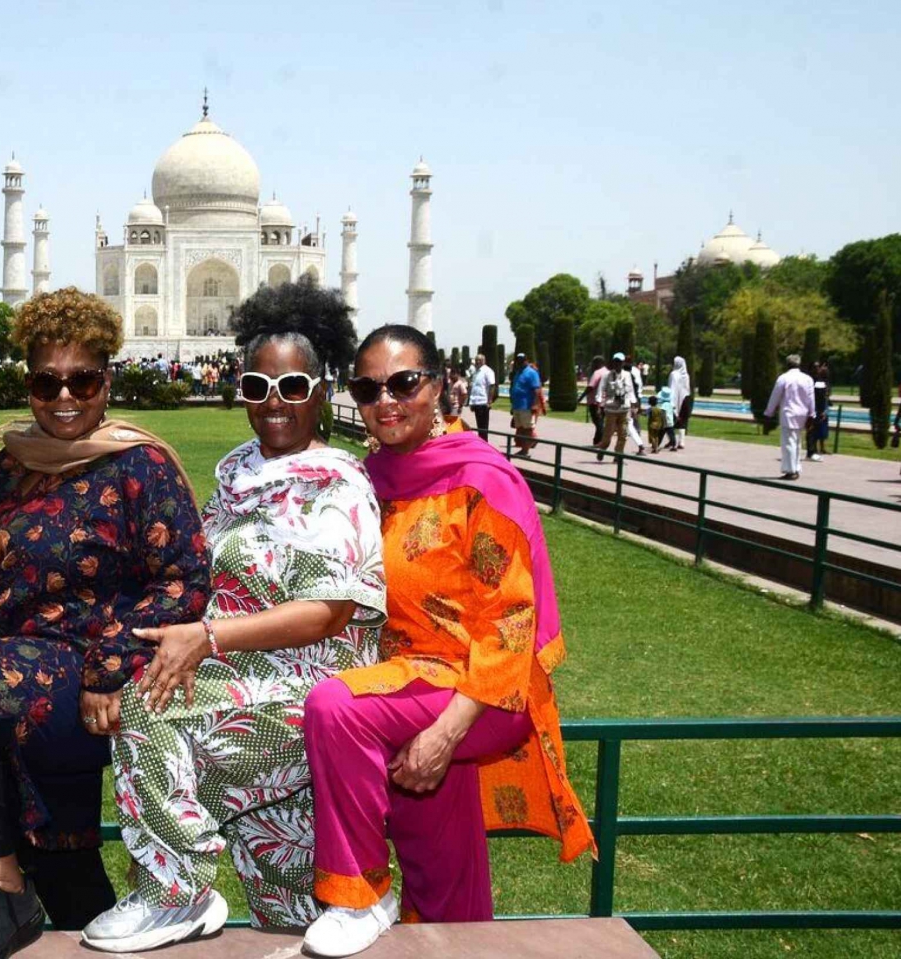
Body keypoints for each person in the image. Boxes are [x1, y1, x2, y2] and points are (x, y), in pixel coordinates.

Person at [0, 288, 210, 959]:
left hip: (80, 678)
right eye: (46, 380)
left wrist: (108, 664)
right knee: (63, 862)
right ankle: (32, 893)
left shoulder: (139, 466)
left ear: (106, 380)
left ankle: (0, 893)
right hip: (4, 681)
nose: (64, 396)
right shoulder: (10, 467)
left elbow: (184, 581)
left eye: (82, 379)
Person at [83, 282, 385, 951]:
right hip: (237, 678)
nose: (274, 402)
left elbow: (329, 610)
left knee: (149, 710)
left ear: (320, 389)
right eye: (258, 384)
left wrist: (208, 637)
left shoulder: (336, 483)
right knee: (285, 899)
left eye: (293, 385)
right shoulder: (240, 475)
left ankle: (175, 892)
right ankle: (180, 880)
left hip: (313, 688)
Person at [300, 324, 594, 957]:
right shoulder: (369, 481)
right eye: (369, 388)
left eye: (404, 383)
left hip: (478, 693)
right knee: (444, 874)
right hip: (404, 689)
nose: (387, 401)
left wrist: (446, 731)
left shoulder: (477, 479)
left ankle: (357, 893)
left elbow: (511, 618)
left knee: (335, 708)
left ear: (438, 386)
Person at [765, 354, 816, 481]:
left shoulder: (784, 378)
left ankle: (790, 470)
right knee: (798, 442)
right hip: (802, 414)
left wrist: (769, 412)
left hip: (789, 413)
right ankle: (796, 467)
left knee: (788, 443)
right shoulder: (807, 379)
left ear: (787, 364)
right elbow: (811, 398)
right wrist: (812, 413)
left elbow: (775, 396)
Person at [594, 353, 635, 460]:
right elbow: (600, 389)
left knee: (623, 434)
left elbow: (631, 391)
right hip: (611, 409)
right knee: (608, 435)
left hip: (624, 408)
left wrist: (634, 405)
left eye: (620, 362)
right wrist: (599, 404)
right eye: (616, 361)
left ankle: (618, 455)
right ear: (613, 362)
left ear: (623, 363)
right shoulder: (607, 375)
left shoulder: (627, 375)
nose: (618, 364)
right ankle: (602, 449)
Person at [508, 353, 541, 457]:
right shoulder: (518, 372)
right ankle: (523, 448)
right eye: (518, 361)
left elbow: (536, 390)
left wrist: (535, 405)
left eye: (522, 360)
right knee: (520, 428)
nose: (520, 363)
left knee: (527, 428)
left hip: (526, 406)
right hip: (517, 405)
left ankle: (526, 450)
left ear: (526, 361)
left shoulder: (531, 373)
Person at [466, 352, 496, 441]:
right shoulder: (476, 372)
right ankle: (481, 442)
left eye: (479, 360)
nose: (477, 362)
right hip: (476, 402)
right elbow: (474, 387)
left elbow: (492, 386)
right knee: (479, 427)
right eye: (476, 360)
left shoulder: (487, 371)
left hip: (483, 402)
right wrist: (471, 403)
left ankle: (484, 444)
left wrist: (489, 401)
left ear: (484, 361)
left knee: (483, 428)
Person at [580, 355, 606, 446]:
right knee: (600, 421)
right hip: (605, 402)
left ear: (598, 363)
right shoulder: (608, 372)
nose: (593, 365)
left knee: (598, 422)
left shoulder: (597, 373)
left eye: (594, 363)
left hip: (595, 402)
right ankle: (597, 440)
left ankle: (599, 441)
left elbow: (590, 387)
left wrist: (580, 397)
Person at [667, 356, 692, 452]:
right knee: (683, 421)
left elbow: (672, 388)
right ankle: (681, 442)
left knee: (669, 420)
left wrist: (671, 402)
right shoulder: (686, 375)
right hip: (685, 399)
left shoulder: (674, 374)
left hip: (675, 399)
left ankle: (672, 440)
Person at [806, 362, 829, 462]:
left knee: (815, 431)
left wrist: (823, 410)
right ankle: (811, 451)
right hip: (812, 409)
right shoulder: (810, 380)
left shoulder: (819, 380)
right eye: (815, 367)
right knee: (811, 431)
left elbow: (822, 397)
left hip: (817, 409)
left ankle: (813, 451)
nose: (817, 369)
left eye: (818, 367)